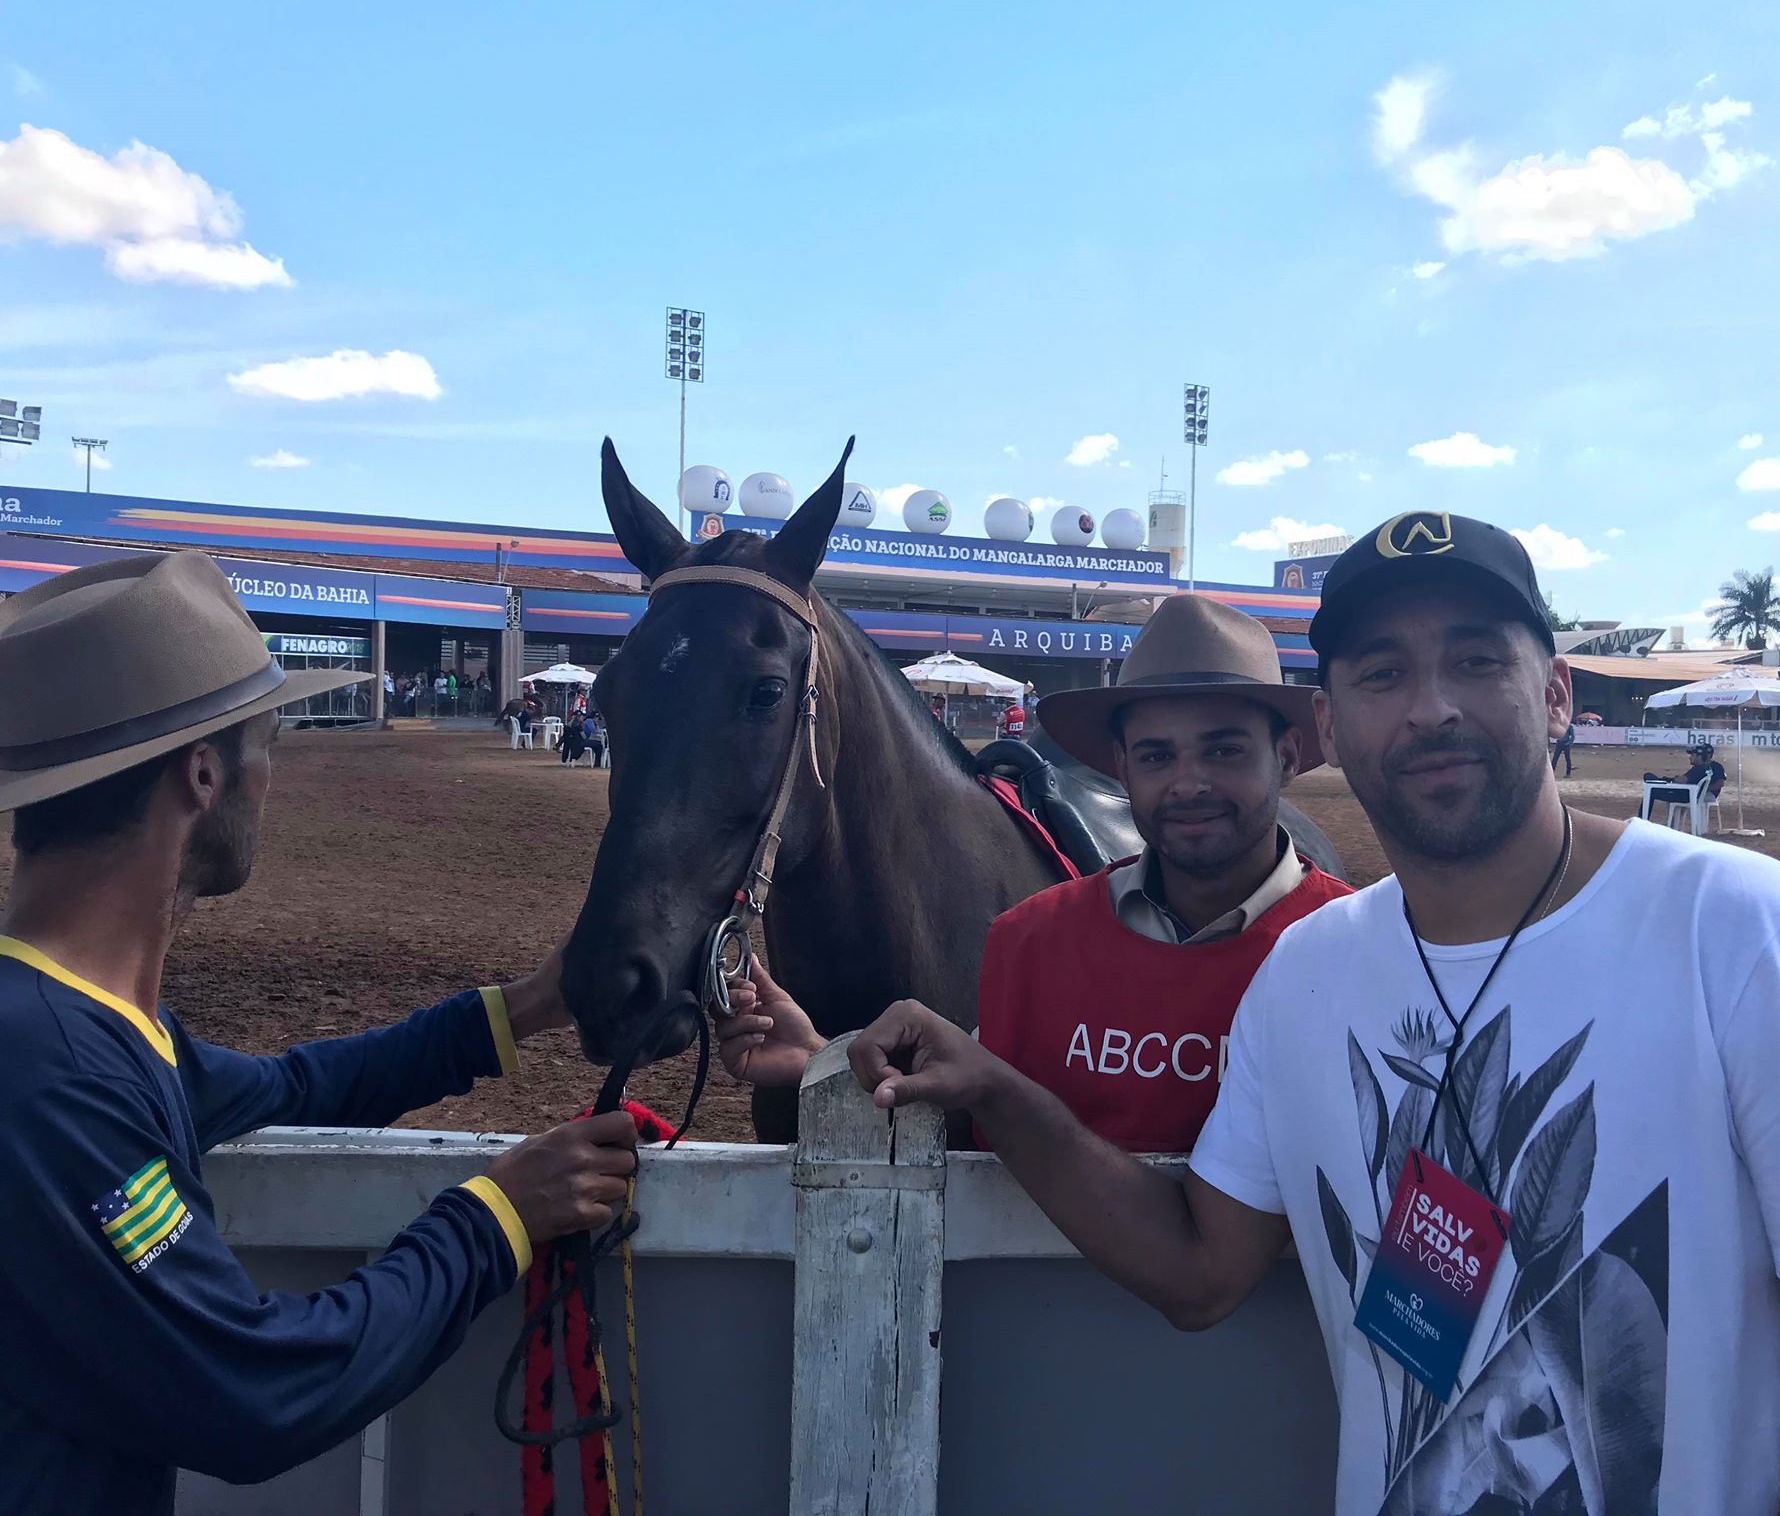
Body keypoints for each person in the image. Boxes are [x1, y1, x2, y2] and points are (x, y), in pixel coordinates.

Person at [849, 512, 1780, 1514]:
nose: (1429, 708)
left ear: (1555, 692)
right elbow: (1197, 1271)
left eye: (1475, 661)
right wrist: (997, 1085)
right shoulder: (1304, 974)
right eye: (1381, 675)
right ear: (1330, 724)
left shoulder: (1746, 931)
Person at [0, 553, 640, 1511]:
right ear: (203, 774)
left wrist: (528, 1006)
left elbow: (296, 1087)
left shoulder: (86, 1027)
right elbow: (254, 1393)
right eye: (269, 744)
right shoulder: (50, 1074)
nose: (272, 776)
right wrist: (496, 1215)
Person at [720, 594, 1351, 1153]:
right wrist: (818, 1063)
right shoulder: (1028, 941)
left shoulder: (1368, 951)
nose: (1189, 783)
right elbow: (968, 1106)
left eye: (1224, 749)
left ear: (1288, 755)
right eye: (1157, 755)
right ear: (1122, 770)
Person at [1642, 741, 1726, 818]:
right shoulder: (1704, 768)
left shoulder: (1704, 768)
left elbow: (1720, 783)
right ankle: (1671, 824)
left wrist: (1703, 789)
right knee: (1652, 781)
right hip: (1692, 793)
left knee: (1650, 787)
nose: (1690, 757)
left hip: (1694, 795)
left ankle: (1643, 820)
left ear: (1702, 755)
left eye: (1692, 755)